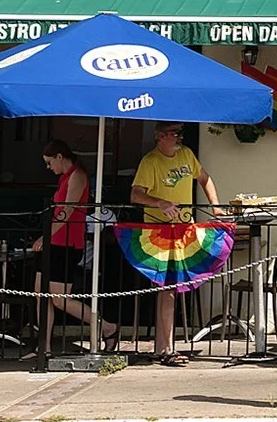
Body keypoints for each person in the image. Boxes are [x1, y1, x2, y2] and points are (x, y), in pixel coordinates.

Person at [128, 121, 218, 367]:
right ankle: (166, 348)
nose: (180, 138)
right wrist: (160, 203)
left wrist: (215, 206)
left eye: (181, 133)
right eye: (175, 133)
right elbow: (135, 194)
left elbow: (204, 178)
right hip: (159, 232)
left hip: (184, 231)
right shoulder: (150, 161)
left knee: (170, 289)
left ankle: (163, 346)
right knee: (167, 288)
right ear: (160, 137)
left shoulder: (187, 154)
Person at [33, 140, 118, 346]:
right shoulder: (64, 177)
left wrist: (46, 235)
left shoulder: (77, 175)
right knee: (40, 294)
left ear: (59, 157)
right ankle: (43, 346)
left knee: (59, 298)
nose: (48, 167)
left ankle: (106, 326)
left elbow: (68, 210)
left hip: (67, 243)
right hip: (55, 241)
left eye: (49, 162)